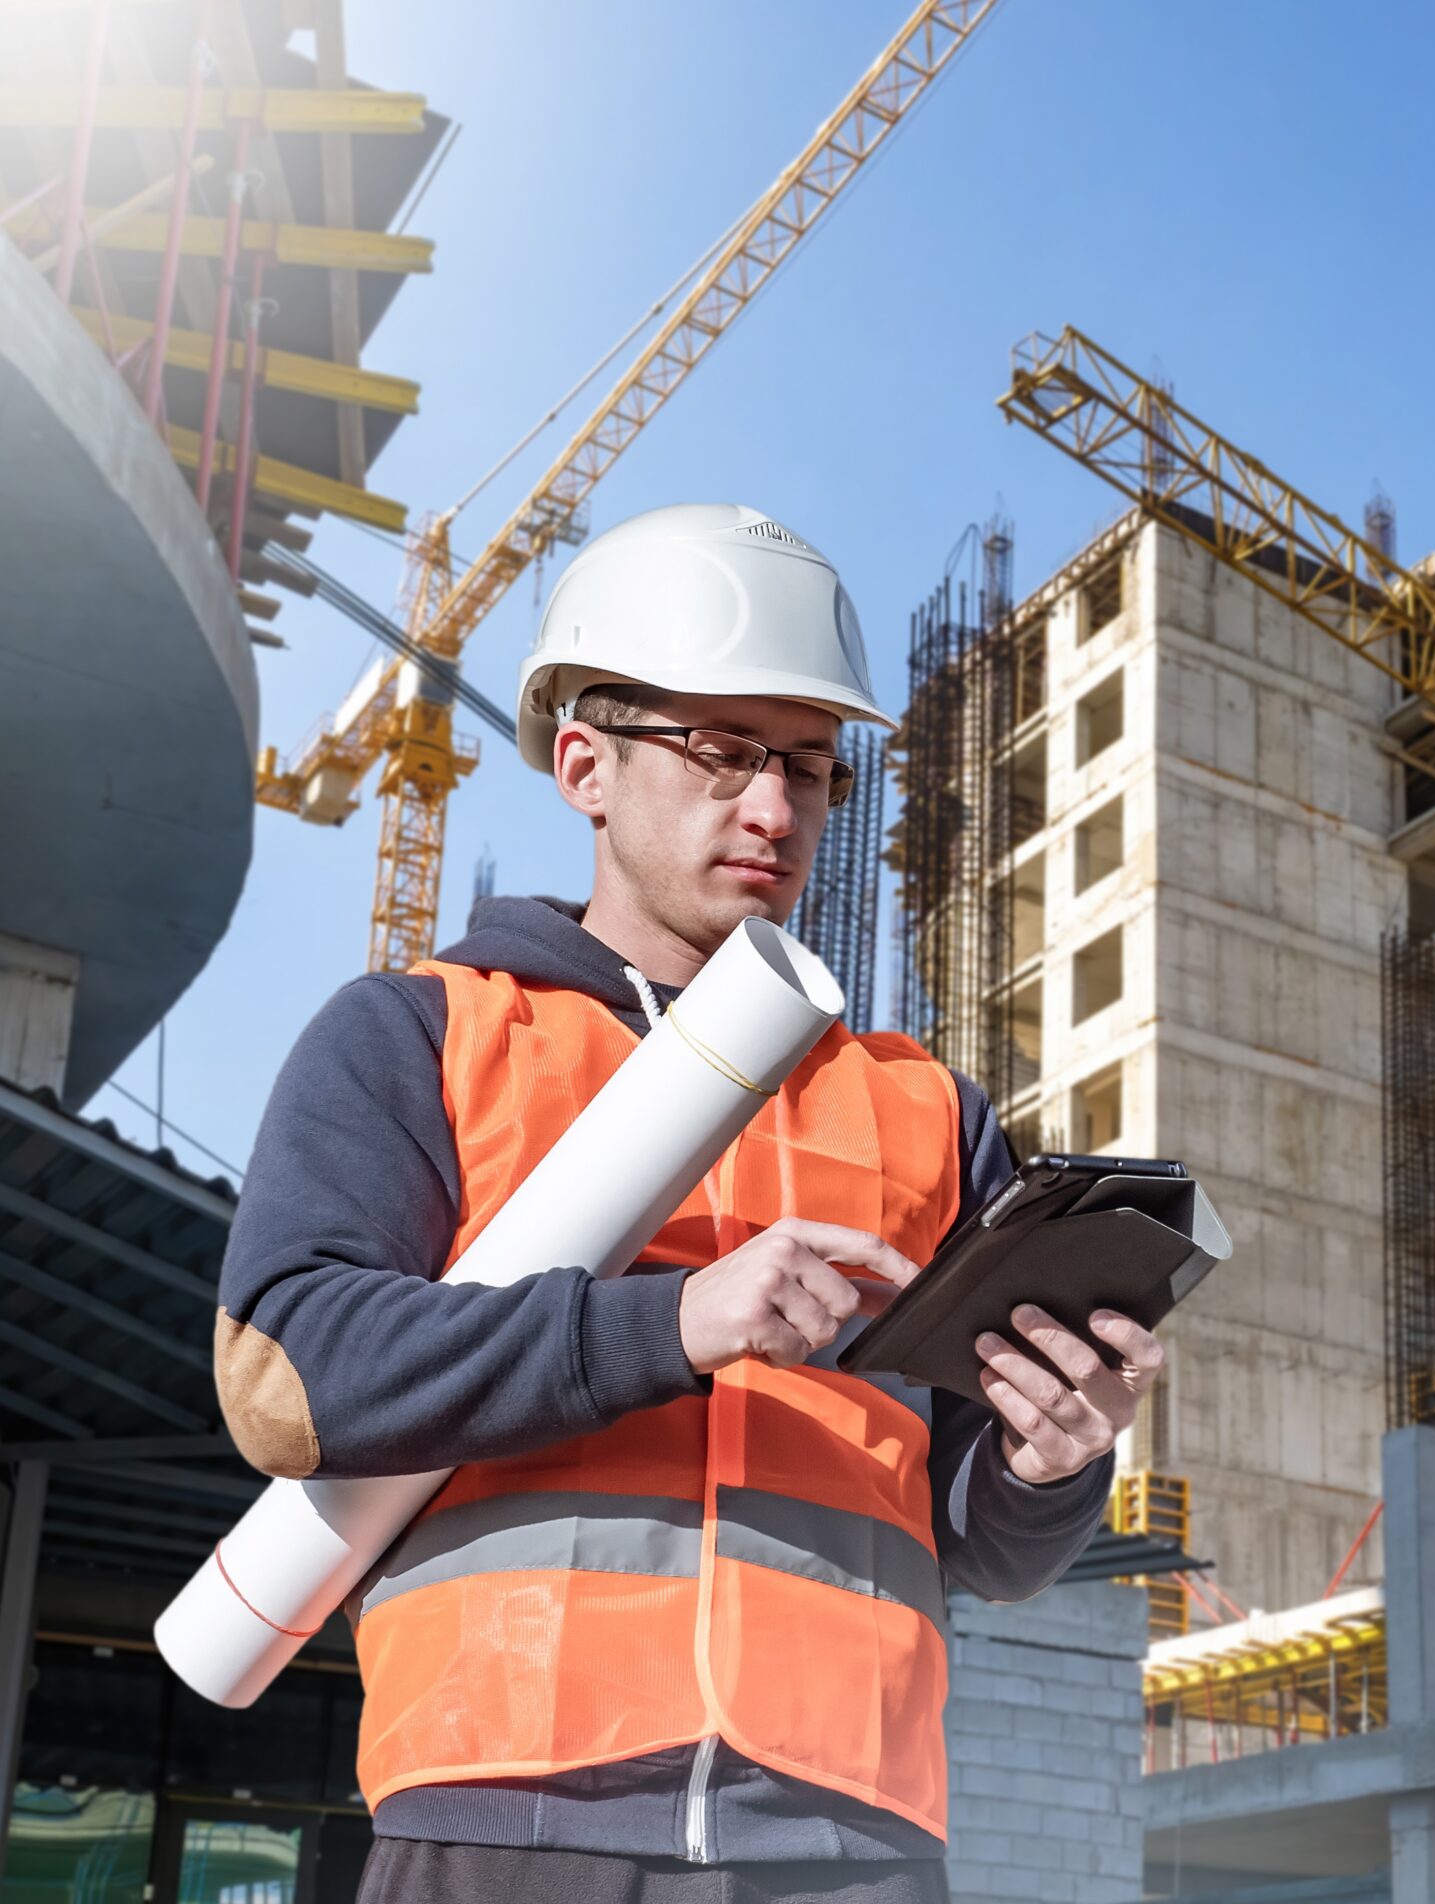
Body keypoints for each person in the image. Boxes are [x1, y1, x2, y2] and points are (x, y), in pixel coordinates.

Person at [214, 504, 1157, 1904]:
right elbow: (289, 1374)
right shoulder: (424, 1036)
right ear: (584, 764)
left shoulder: (928, 1113)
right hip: (508, 1820)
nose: (775, 812)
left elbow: (976, 1540)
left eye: (810, 768)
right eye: (721, 755)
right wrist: (670, 1324)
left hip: (853, 1846)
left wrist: (1054, 1459)